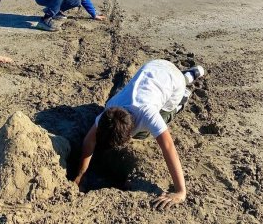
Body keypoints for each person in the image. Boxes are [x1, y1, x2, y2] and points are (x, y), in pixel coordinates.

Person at [74, 59, 205, 208]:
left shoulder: (147, 114)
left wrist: (181, 191)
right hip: (154, 67)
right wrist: (80, 175)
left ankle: (182, 98)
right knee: (178, 78)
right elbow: (89, 140)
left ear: (129, 133)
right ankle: (188, 75)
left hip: (171, 84)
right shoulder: (110, 110)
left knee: (143, 134)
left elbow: (168, 146)